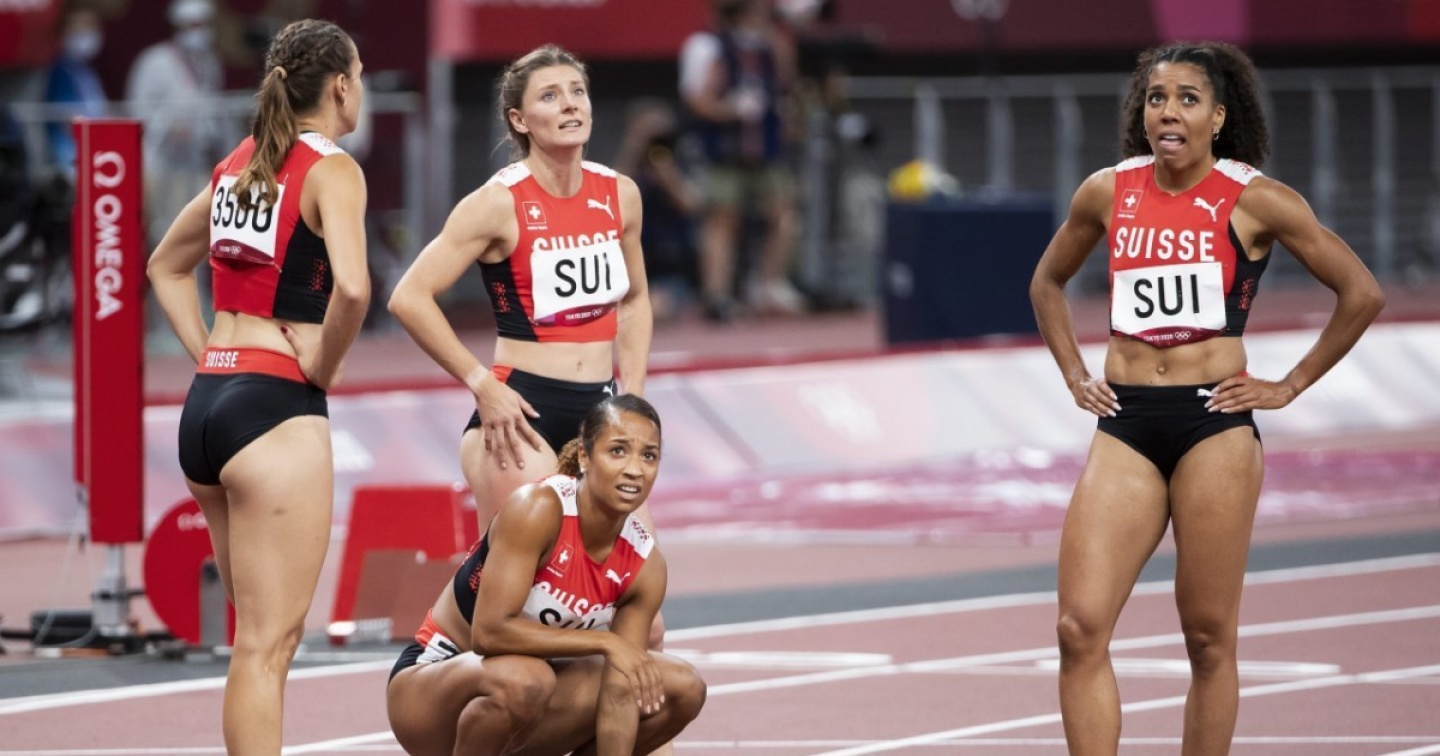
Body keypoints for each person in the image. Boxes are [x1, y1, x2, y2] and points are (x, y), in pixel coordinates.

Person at [1029, 42, 1384, 755]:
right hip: (1126, 422)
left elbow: (1361, 293)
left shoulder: (1257, 199)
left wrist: (1289, 384)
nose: (1169, 112)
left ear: (1218, 117)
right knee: (1078, 628)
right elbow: (1047, 283)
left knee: (1208, 637)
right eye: (1157, 98)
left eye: (1188, 99)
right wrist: (1073, 374)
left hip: (1212, 425)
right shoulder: (1107, 191)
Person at [146, 19, 370, 755]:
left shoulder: (237, 163)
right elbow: (355, 289)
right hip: (274, 409)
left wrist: (208, 353)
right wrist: (325, 364)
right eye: (361, 78)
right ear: (340, 86)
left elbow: (163, 266)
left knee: (257, 641)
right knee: (267, 647)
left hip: (210, 405)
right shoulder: (332, 168)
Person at [387, 43, 653, 539]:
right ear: (520, 119)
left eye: (577, 92)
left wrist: (632, 393)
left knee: (637, 579)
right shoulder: (496, 203)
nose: (570, 104)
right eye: (550, 96)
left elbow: (634, 299)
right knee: (523, 571)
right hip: (524, 412)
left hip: (602, 406)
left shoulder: (620, 194)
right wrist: (481, 384)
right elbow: (409, 296)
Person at [386, 394, 706, 755]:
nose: (635, 469)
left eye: (649, 456)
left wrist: (616, 654)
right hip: (432, 690)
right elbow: (489, 633)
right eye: (618, 451)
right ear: (584, 456)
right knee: (527, 680)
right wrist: (606, 642)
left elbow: (619, 694)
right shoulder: (538, 509)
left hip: (531, 700)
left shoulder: (645, 565)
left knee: (682, 687)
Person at [680, 0, 806, 322]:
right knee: (723, 219)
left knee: (784, 212)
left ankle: (768, 285)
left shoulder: (768, 44)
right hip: (724, 150)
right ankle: (716, 295)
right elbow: (695, 99)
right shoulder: (706, 45)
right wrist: (730, 109)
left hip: (765, 149)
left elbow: (787, 80)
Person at [127, 0, 228, 247]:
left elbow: (214, 111)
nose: (200, 31)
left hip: (195, 162)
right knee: (165, 233)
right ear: (179, 27)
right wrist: (167, 126)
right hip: (159, 163)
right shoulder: (154, 61)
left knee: (200, 233)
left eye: (204, 25)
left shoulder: (209, 63)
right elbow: (137, 108)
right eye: (194, 25)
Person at [613, 98, 701, 322]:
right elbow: (610, 200)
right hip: (629, 263)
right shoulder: (628, 169)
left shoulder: (680, 161)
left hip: (668, 266)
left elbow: (690, 204)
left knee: (653, 307)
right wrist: (634, 146)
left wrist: (666, 173)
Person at [43, 6, 108, 179]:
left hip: (95, 151)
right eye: (79, 28)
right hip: (68, 157)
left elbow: (99, 111)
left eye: (90, 27)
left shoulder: (87, 72)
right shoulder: (58, 71)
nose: (86, 33)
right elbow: (67, 118)